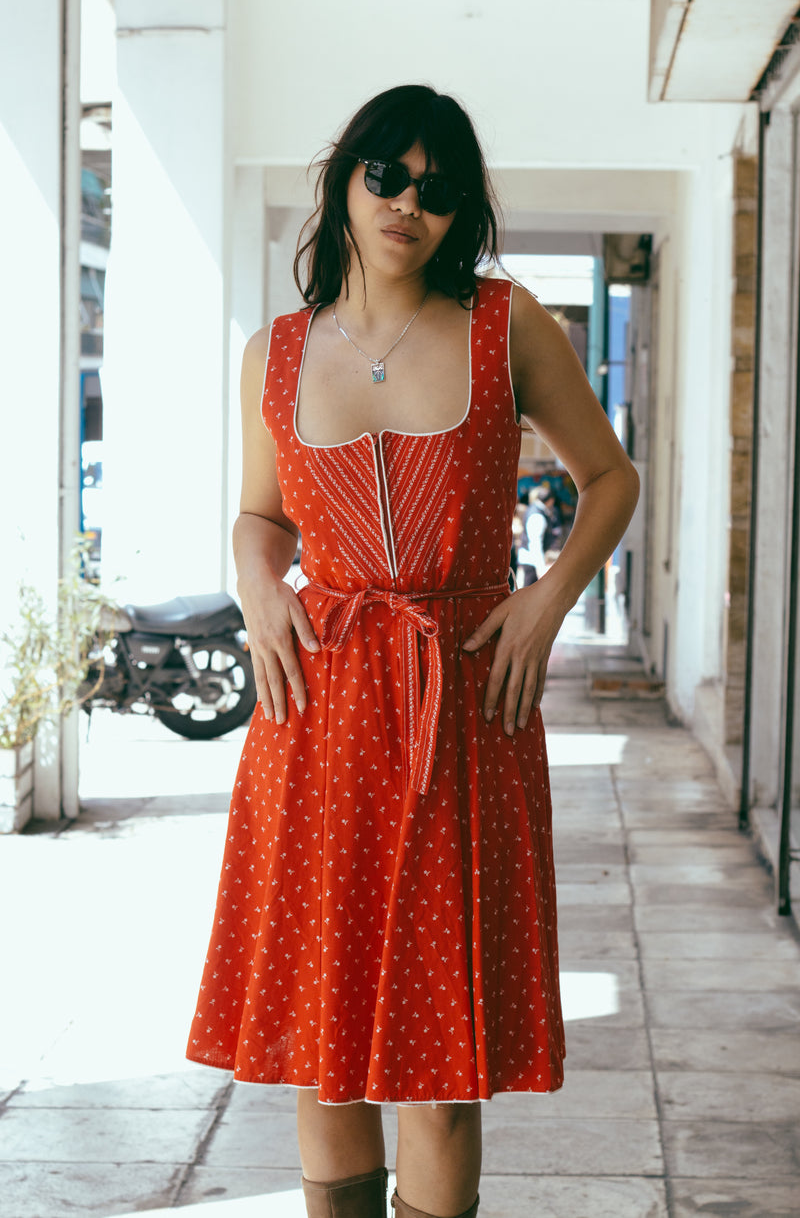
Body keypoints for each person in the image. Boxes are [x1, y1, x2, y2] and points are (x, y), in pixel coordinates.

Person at [186, 84, 639, 1218]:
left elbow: (610, 479)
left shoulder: (508, 323)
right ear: (345, 178)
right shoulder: (274, 354)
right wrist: (254, 585)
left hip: (466, 704)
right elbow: (260, 516)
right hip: (320, 705)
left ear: (461, 214)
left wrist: (546, 601)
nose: (407, 206)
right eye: (387, 176)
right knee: (324, 1040)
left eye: (437, 192)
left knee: (438, 1070)